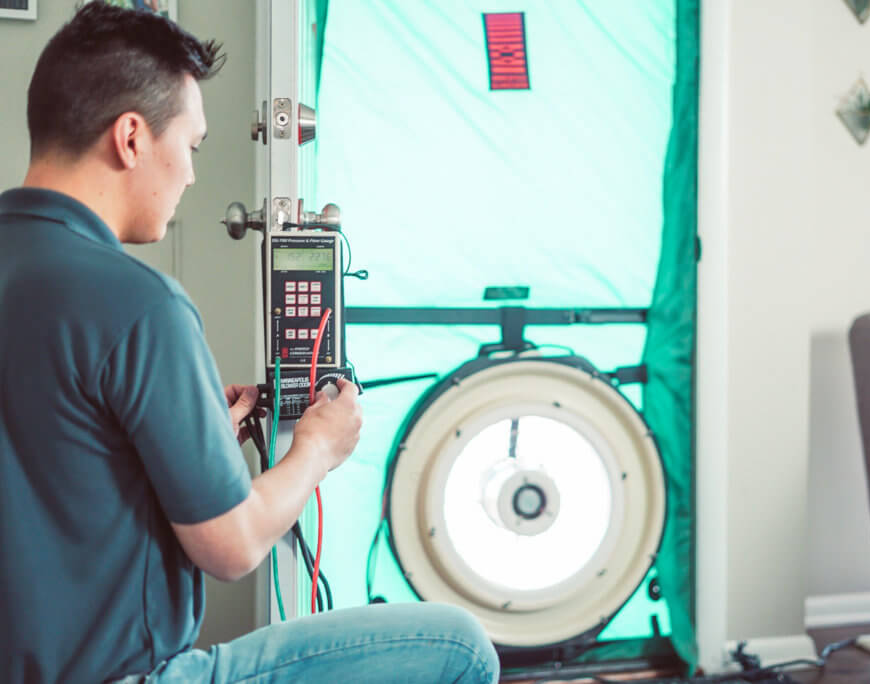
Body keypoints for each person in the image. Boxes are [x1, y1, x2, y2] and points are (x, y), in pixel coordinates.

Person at [0, 5, 499, 684]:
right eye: (193, 147)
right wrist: (317, 449)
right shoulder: (142, 305)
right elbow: (230, 547)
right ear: (131, 138)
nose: (193, 176)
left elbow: (55, 467)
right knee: (460, 646)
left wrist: (192, 439)